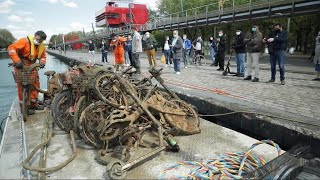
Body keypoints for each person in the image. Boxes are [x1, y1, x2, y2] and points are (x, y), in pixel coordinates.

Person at [8, 31, 47, 115]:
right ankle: (24, 108)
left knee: (35, 83)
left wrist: (42, 62)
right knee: (22, 85)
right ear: (35, 36)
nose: (39, 42)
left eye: (41, 41)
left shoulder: (41, 46)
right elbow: (11, 48)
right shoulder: (24, 41)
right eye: (38, 40)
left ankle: (33, 104)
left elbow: (43, 56)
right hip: (20, 64)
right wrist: (17, 61)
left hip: (32, 65)